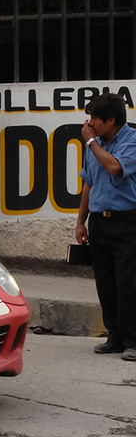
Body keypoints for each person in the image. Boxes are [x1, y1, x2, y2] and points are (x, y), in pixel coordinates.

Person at [74, 93, 136, 361]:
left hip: (127, 222)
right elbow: (88, 183)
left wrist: (90, 143)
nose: (90, 124)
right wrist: (81, 221)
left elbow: (114, 167)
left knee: (128, 284)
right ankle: (115, 336)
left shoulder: (132, 141)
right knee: (106, 283)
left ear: (111, 120)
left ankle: (133, 339)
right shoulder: (95, 144)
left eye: (95, 119)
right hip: (100, 221)